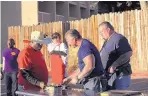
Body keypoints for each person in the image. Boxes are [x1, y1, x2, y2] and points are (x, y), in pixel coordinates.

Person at [98, 21, 132, 90]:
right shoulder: (107, 40)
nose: (101, 34)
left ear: (108, 29)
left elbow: (128, 53)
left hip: (120, 75)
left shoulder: (119, 38)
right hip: (110, 76)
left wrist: (114, 64)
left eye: (102, 31)